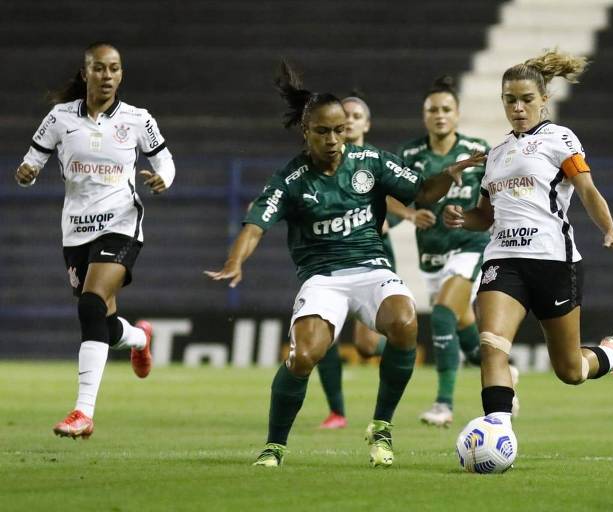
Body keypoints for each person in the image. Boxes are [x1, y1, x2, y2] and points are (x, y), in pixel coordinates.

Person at [205, 62, 483, 468]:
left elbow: (422, 193)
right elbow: (255, 224)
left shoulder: (370, 161)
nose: (334, 139)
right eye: (323, 131)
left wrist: (449, 175)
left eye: (339, 130)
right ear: (306, 132)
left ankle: (381, 427)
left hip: (371, 267)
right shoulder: (291, 179)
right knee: (304, 356)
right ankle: (275, 445)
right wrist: (235, 261)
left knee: (405, 322)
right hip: (322, 279)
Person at [442, 49, 613, 425]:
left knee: (570, 371)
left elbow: (586, 189)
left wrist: (610, 229)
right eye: (510, 100)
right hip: (503, 260)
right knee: (492, 346)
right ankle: (497, 432)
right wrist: (459, 217)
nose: (518, 108)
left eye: (526, 99)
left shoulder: (559, 139)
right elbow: (484, 216)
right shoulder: (496, 153)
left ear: (544, 100)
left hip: (553, 260)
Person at [14, 42, 175, 439]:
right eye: (100, 68)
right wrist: (27, 172)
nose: (107, 76)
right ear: (86, 73)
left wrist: (162, 180)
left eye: (115, 68)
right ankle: (138, 337)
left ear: (121, 75)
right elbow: (34, 158)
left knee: (89, 304)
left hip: (121, 222)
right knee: (101, 321)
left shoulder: (137, 119)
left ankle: (83, 412)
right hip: (75, 230)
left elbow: (164, 161)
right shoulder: (59, 118)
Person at [395, 76, 518, 427]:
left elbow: (495, 193)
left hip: (470, 245)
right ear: (424, 116)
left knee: (444, 313)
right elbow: (390, 197)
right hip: (432, 253)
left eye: (446, 109)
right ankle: (505, 374)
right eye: (432, 109)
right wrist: (405, 214)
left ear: (457, 114)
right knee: (465, 330)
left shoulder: (476, 150)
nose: (439, 115)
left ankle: (443, 404)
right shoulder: (409, 155)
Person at [315, 93, 394, 429]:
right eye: (344, 114)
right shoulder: (323, 161)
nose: (349, 119)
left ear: (366, 124)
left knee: (365, 346)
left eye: (356, 115)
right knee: (323, 336)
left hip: (372, 257)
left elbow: (403, 199)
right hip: (331, 256)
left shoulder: (375, 161)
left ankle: (400, 355)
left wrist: (392, 216)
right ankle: (337, 412)